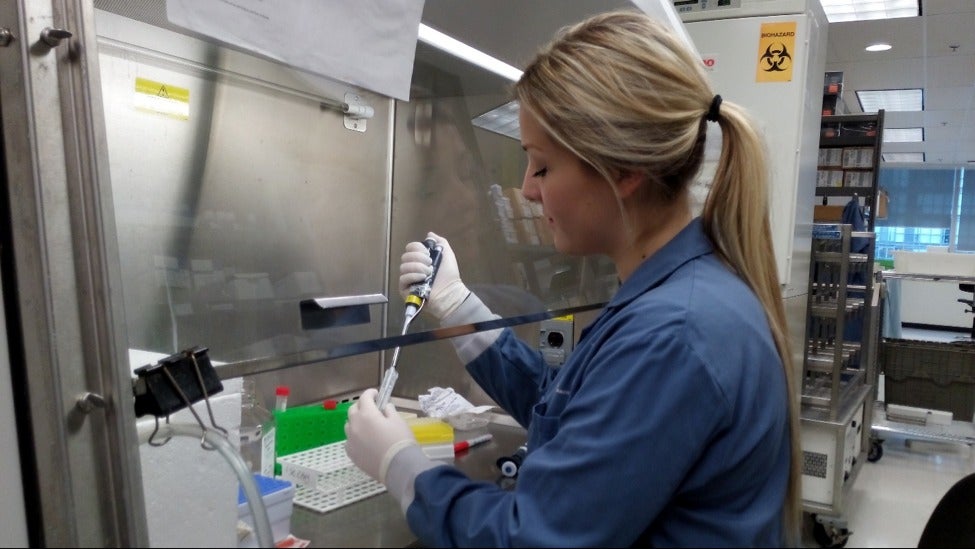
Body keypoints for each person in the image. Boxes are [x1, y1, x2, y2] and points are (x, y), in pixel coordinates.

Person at [345, 9, 800, 547]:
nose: (528, 190)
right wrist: (461, 308)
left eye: (541, 166)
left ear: (625, 172)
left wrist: (403, 467)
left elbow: (534, 540)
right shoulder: (679, 293)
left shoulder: (673, 333)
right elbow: (573, 410)